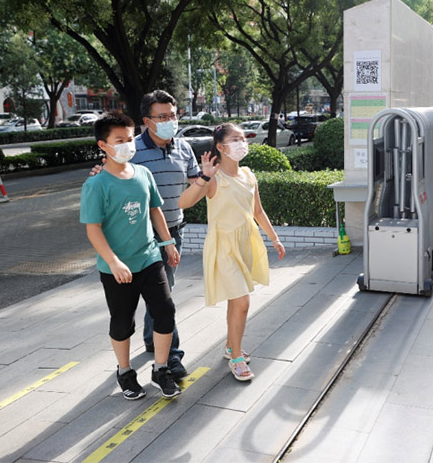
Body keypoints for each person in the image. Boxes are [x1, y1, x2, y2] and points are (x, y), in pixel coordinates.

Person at [90, 90, 199, 381]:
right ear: (147, 121)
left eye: (173, 116)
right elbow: (106, 191)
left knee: (164, 299)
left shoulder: (183, 148)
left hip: (171, 232)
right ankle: (150, 363)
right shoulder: (128, 150)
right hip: (134, 243)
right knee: (141, 311)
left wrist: (209, 179)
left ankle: (159, 352)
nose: (169, 121)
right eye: (162, 117)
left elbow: (189, 187)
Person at [80, 112, 182, 400]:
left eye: (129, 139)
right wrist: (113, 261)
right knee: (123, 321)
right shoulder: (96, 185)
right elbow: (93, 230)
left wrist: (168, 243)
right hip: (117, 268)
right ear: (103, 145)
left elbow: (155, 211)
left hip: (149, 258)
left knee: (165, 311)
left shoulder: (143, 174)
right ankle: (125, 371)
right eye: (119, 140)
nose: (127, 145)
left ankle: (161, 369)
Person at [178, 123, 285, 381]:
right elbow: (183, 202)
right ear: (220, 147)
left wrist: (275, 238)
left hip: (245, 243)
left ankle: (230, 346)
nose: (241, 143)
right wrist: (203, 176)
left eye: (242, 139)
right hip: (223, 247)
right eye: (234, 139)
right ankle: (236, 357)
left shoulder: (248, 175)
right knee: (242, 301)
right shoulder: (213, 178)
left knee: (235, 301)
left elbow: (258, 211)